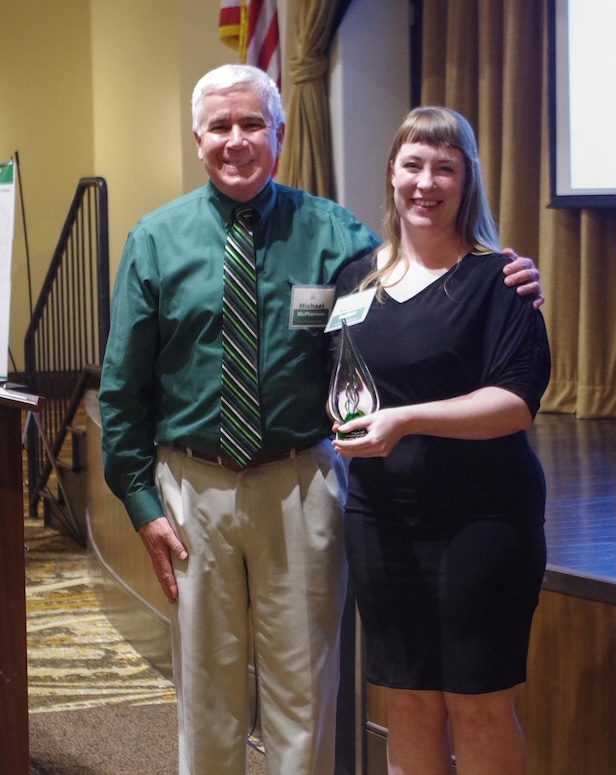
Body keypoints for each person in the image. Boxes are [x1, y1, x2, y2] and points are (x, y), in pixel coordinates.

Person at [98, 64, 543, 775]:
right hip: (192, 487)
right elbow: (122, 385)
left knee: (305, 688)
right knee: (206, 685)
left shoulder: (336, 235)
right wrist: (141, 499)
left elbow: (419, 274)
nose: (236, 140)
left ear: (278, 134)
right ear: (197, 137)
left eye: (252, 124)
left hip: (299, 482)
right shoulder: (154, 240)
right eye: (221, 126)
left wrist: (507, 271)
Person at [330, 106, 551, 775]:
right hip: (382, 518)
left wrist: (406, 419)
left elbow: (515, 404)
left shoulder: (502, 278)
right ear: (392, 174)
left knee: (479, 702)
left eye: (444, 168)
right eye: (414, 164)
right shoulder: (351, 279)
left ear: (467, 180)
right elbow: (330, 372)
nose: (427, 182)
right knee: (411, 700)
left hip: (482, 521)